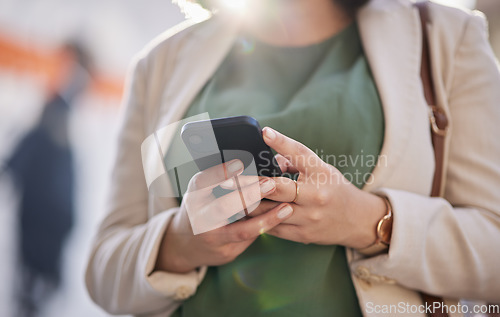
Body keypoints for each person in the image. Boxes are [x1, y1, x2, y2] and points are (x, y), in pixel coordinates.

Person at [86, 0, 500, 316]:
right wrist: (179, 242)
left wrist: (367, 222)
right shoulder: (160, 63)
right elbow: (102, 271)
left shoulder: (444, 37)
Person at [3, 41, 91, 317]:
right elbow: (25, 152)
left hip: (52, 217)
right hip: (41, 214)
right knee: (32, 285)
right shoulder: (52, 111)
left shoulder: (67, 114)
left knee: (39, 284)